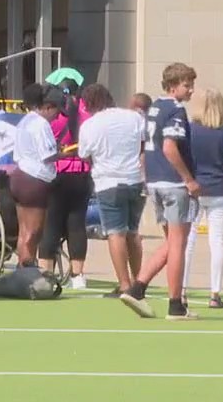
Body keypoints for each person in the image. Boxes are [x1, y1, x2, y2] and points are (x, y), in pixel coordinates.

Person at [119, 63, 200, 321]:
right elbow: (169, 147)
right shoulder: (175, 110)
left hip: (155, 181)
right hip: (173, 183)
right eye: (187, 85)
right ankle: (176, 304)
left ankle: (138, 287)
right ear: (173, 86)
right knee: (178, 243)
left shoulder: (153, 108)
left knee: (170, 241)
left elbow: (147, 148)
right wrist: (188, 179)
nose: (191, 90)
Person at [77, 84, 147, 296]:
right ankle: (139, 280)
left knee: (115, 233)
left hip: (108, 181)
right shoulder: (134, 117)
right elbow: (144, 145)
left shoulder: (90, 125)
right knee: (133, 232)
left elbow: (84, 154)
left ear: (89, 104)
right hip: (135, 179)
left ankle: (124, 284)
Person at [176, 87, 223, 309]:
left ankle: (181, 290)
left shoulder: (189, 131)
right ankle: (215, 293)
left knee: (188, 241)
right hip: (220, 189)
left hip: (194, 189)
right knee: (217, 241)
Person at [40, 80, 93, 290]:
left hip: (56, 173)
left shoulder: (52, 118)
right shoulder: (86, 115)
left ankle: (46, 272)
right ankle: (77, 275)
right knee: (77, 224)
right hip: (82, 173)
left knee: (51, 223)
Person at [10, 83, 63, 267]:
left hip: (19, 175)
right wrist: (65, 153)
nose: (57, 117)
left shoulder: (25, 120)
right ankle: (27, 267)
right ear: (48, 107)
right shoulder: (41, 124)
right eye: (56, 111)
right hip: (35, 180)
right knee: (34, 231)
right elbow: (48, 155)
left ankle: (22, 266)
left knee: (23, 230)